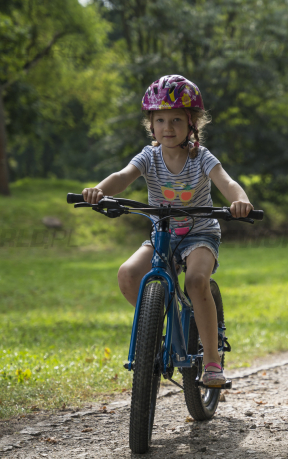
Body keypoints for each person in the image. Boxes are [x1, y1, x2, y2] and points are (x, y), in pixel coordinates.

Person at [81, 75, 254, 387]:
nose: (168, 127)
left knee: (197, 281)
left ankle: (211, 362)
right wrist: (99, 190)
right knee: (128, 274)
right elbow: (122, 176)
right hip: (162, 234)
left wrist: (240, 201)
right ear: (151, 124)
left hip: (200, 234)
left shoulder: (201, 157)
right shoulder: (149, 156)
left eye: (176, 120)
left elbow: (226, 182)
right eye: (160, 120)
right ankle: (159, 322)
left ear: (192, 124)